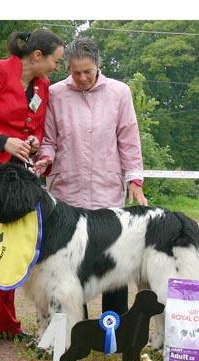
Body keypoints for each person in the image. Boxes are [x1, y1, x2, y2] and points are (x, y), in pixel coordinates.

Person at [0, 29, 64, 347]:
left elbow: (33, 127)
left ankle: (5, 322)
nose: (57, 67)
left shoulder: (42, 86)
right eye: (56, 61)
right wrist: (4, 140)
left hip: (14, 172)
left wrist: (31, 143)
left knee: (9, 248)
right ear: (37, 56)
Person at [34, 37, 148, 319]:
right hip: (67, 190)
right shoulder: (56, 94)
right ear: (68, 69)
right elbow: (49, 139)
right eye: (75, 72)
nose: (82, 78)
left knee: (115, 256)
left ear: (98, 65)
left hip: (106, 189)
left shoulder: (120, 92)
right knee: (71, 262)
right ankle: (75, 326)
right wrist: (45, 159)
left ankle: (116, 326)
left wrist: (134, 179)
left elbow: (129, 139)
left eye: (87, 71)